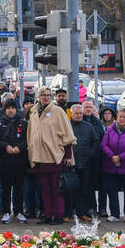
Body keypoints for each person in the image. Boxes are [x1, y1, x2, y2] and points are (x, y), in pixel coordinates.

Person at [28, 87, 76, 224]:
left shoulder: (58, 111)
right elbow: (31, 134)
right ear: (38, 96)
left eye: (48, 95)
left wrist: (67, 155)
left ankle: (58, 215)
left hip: (55, 157)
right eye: (43, 95)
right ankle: (48, 215)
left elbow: (67, 135)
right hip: (39, 157)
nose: (46, 97)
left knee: (57, 189)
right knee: (45, 190)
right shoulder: (33, 112)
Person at [101, 108, 125, 223]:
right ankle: (115, 214)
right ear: (116, 118)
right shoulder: (110, 130)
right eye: (120, 117)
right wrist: (112, 157)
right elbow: (104, 145)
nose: (122, 119)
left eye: (124, 117)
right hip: (111, 166)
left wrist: (120, 157)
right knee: (112, 191)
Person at [0, 99, 28, 223]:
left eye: (13, 108)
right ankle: (5, 211)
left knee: (19, 188)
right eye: (8, 108)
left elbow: (28, 140)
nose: (11, 110)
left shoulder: (24, 124)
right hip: (4, 161)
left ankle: (19, 211)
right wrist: (5, 146)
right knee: (5, 188)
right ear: (5, 109)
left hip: (20, 160)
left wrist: (20, 147)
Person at [69, 104, 100, 222]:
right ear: (71, 114)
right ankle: (69, 212)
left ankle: (82, 212)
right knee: (70, 189)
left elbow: (95, 141)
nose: (78, 115)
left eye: (80, 113)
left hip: (86, 164)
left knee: (84, 189)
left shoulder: (89, 126)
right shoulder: (67, 126)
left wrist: (90, 154)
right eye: (76, 113)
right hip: (71, 164)